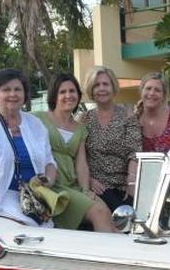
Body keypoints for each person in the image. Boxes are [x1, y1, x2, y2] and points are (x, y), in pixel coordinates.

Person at [0, 68, 57, 226]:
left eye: (17, 89)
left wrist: (47, 183)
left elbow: (50, 162)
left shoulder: (35, 124)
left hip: (33, 198)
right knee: (30, 226)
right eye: (6, 89)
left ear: (24, 95)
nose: (13, 94)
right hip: (1, 199)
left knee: (49, 227)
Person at [34, 73, 117, 232]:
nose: (68, 95)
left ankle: (125, 245)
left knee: (106, 213)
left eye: (72, 91)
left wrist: (85, 190)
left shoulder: (80, 128)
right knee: (99, 213)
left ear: (78, 95)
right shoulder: (37, 119)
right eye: (62, 92)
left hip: (72, 185)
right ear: (54, 96)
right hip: (50, 185)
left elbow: (81, 164)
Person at [79, 66, 142, 212]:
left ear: (113, 87)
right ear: (91, 89)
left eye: (105, 84)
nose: (101, 88)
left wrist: (132, 183)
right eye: (97, 85)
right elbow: (78, 157)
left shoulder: (128, 116)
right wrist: (89, 180)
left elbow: (134, 154)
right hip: (95, 187)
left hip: (123, 187)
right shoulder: (84, 119)